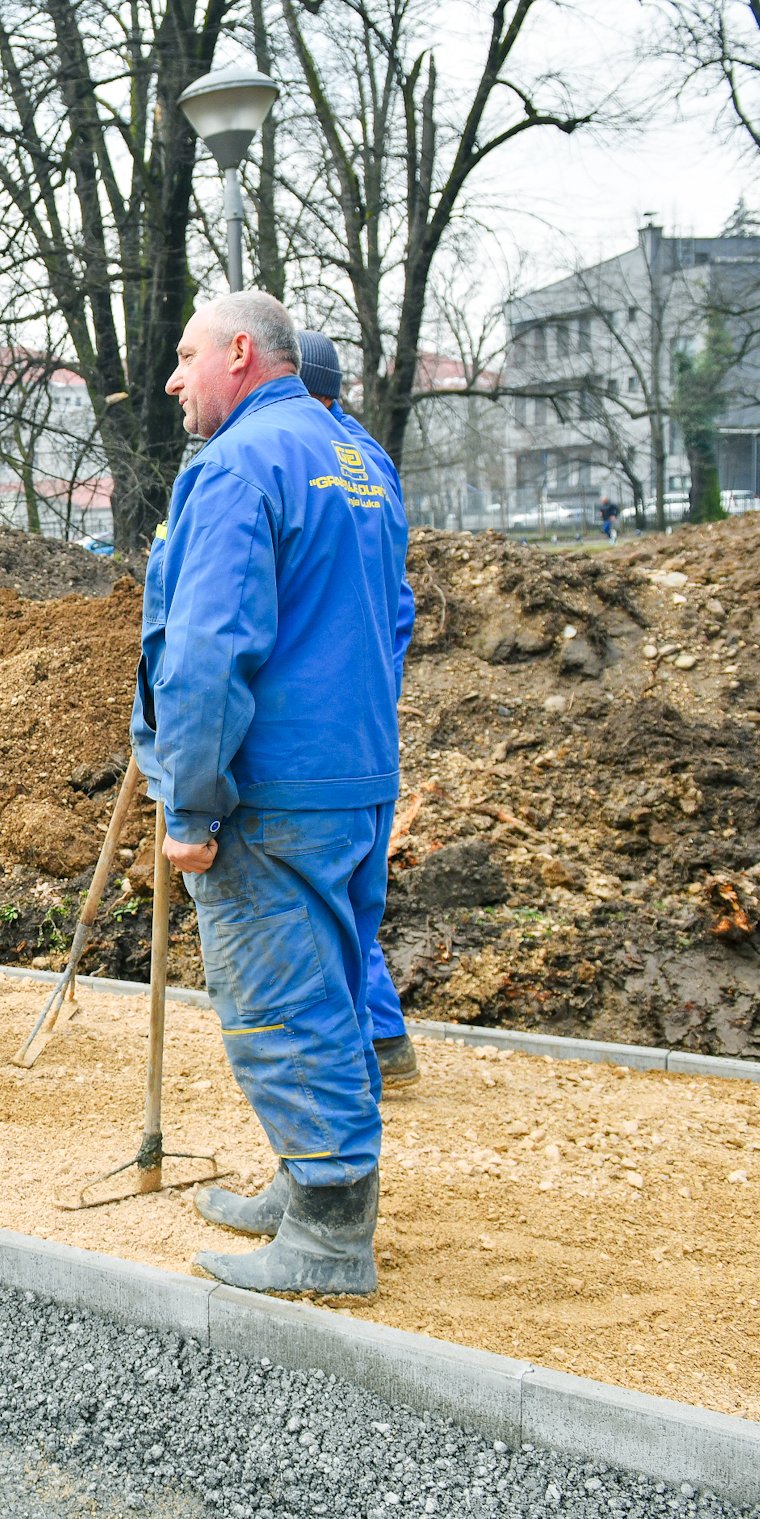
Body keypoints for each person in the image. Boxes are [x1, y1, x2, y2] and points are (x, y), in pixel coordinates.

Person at [135, 292, 407, 1297]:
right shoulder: (357, 460)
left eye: (185, 354)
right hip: (349, 772)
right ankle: (308, 1188)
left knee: (282, 1008)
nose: (171, 378)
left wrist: (192, 802)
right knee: (332, 990)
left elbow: (208, 649)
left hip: (270, 788)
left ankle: (330, 1235)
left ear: (240, 353)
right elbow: (386, 619)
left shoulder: (235, 466)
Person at [294, 330, 420, 1088]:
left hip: (313, 728)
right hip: (369, 717)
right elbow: (395, 603)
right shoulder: (371, 462)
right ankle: (382, 1037)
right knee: (352, 893)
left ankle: (355, 1061)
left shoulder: (289, 457)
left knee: (318, 899)